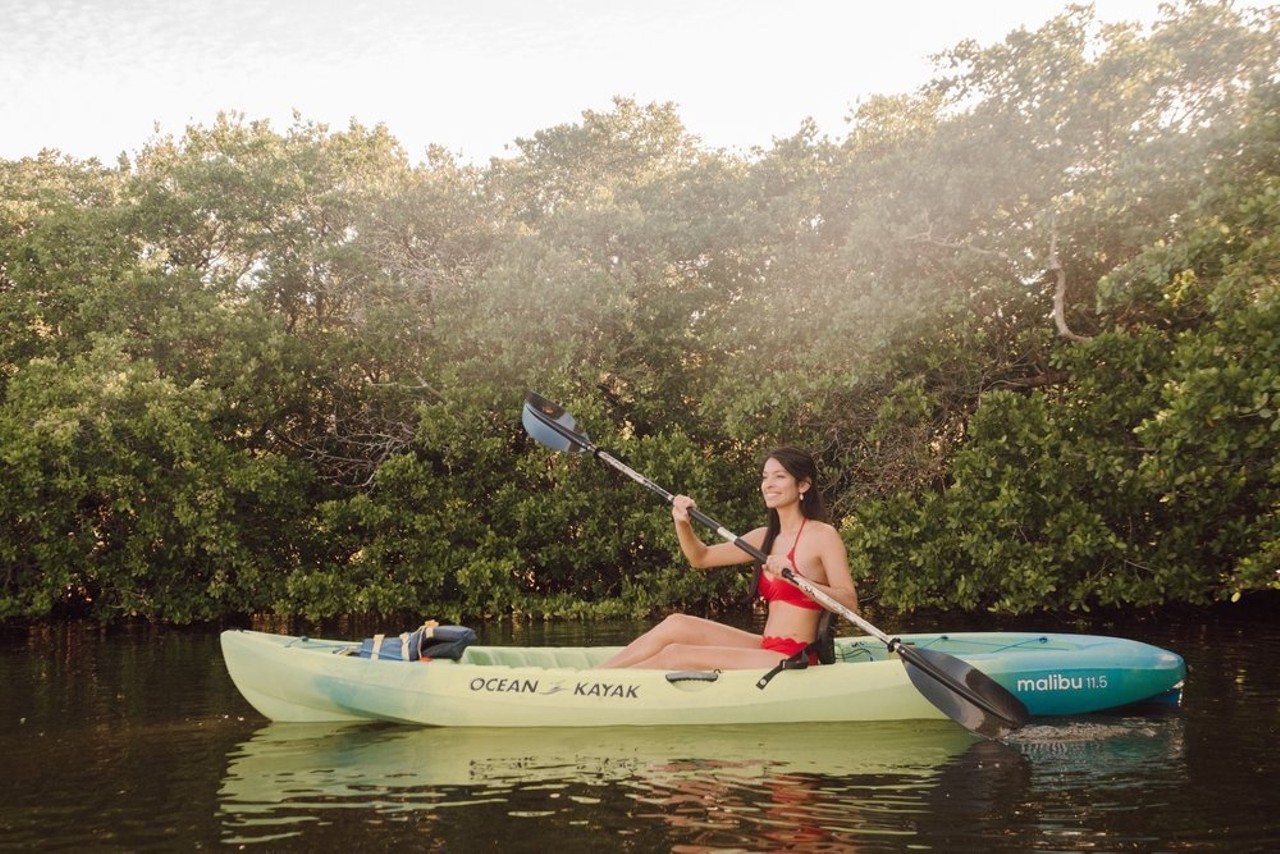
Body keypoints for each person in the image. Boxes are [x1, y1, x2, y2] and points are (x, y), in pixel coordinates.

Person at [597, 447, 858, 670]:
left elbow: (849, 602)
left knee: (677, 654)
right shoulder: (764, 537)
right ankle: (595, 677)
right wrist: (682, 523)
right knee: (677, 624)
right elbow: (701, 558)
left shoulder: (823, 536)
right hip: (767, 646)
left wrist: (797, 580)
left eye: (779, 477)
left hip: (793, 657)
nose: (768, 484)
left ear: (803, 485)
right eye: (765, 477)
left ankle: (598, 689)